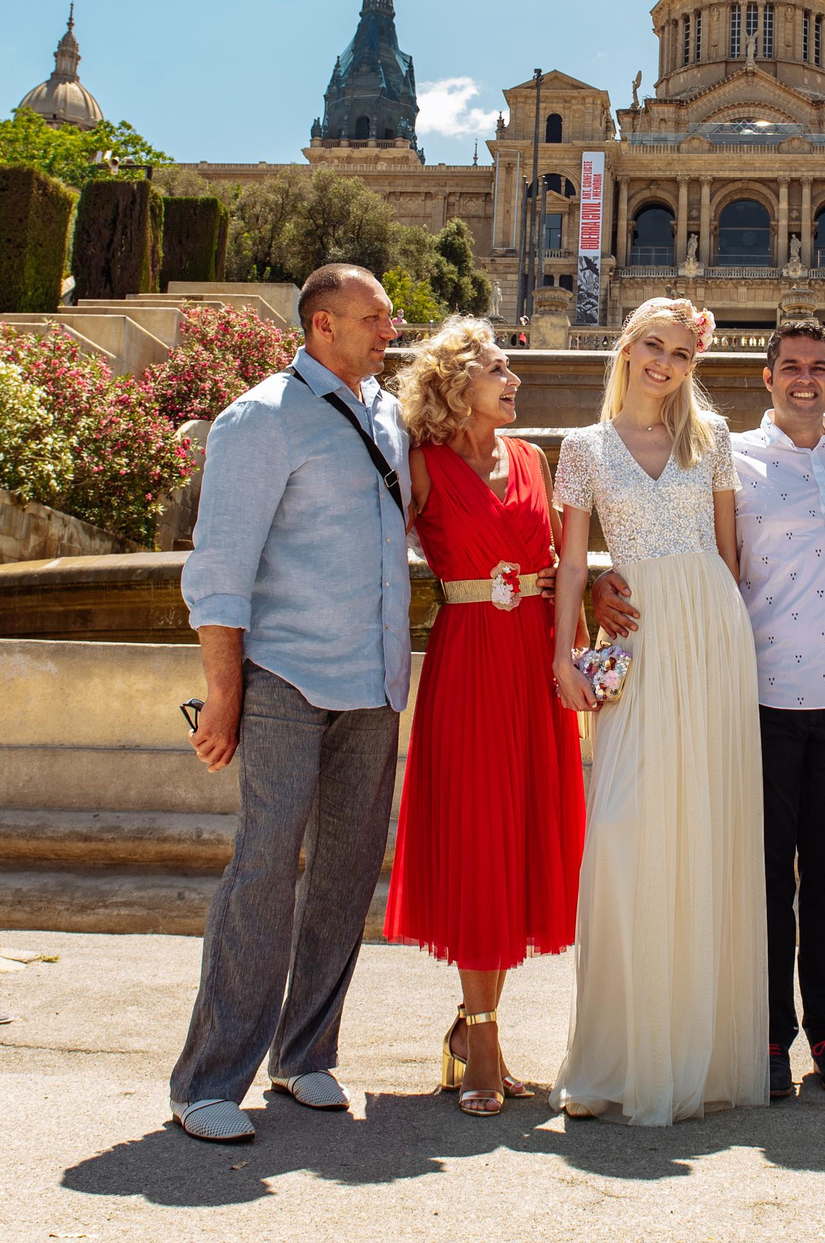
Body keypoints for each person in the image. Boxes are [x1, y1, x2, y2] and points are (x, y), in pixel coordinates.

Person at [590, 316, 825, 1100]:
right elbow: (675, 534)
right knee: (759, 874)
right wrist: (603, 578)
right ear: (767, 377)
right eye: (791, 365)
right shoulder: (724, 451)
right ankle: (765, 1031)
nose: (805, 378)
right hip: (759, 690)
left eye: (818, 366)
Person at [168, 263, 409, 1144]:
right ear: (321, 326)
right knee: (265, 869)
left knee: (346, 872)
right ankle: (208, 1079)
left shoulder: (388, 417)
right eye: (374, 318)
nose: (390, 331)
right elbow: (220, 567)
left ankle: (304, 1053)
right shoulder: (259, 418)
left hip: (374, 680)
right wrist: (223, 691)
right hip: (285, 675)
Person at [545, 297, 769, 1125]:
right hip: (636, 639)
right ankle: (617, 1055)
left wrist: (727, 640)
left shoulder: (712, 440)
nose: (664, 363)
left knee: (703, 829)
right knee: (619, 830)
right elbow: (573, 564)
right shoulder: (583, 448)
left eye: (680, 352)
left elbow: (729, 555)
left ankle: (694, 1057)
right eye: (653, 344)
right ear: (627, 347)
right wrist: (564, 652)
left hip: (709, 634)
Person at [384, 317, 585, 1117]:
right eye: (499, 367)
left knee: (515, 845)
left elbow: (561, 564)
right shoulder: (421, 464)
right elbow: (373, 551)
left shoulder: (533, 458)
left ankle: (476, 1032)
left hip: (533, 664)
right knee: (477, 843)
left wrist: (579, 625)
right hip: (467, 661)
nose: (515, 379)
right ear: (454, 381)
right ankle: (484, 1039)